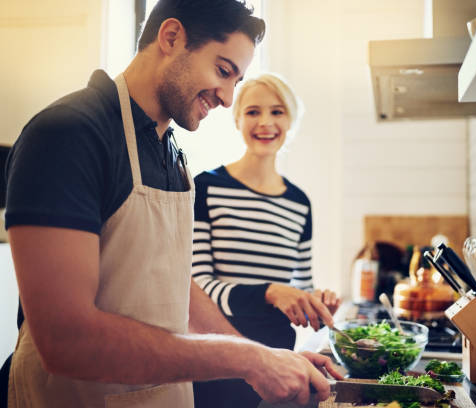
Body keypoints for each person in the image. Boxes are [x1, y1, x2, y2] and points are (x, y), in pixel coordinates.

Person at [2, 1, 341, 407]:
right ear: (171, 37)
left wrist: (265, 357)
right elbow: (65, 341)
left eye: (237, 79)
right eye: (222, 70)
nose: (228, 97)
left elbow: (175, 284)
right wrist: (249, 359)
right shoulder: (69, 134)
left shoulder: (171, 150)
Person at [190, 73, 341, 407]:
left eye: (277, 111)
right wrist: (270, 293)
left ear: (290, 120)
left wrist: (315, 304)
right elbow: (197, 286)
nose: (265, 123)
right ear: (237, 119)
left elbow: (300, 286)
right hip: (219, 357)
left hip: (277, 356)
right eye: (253, 112)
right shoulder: (207, 187)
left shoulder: (299, 202)